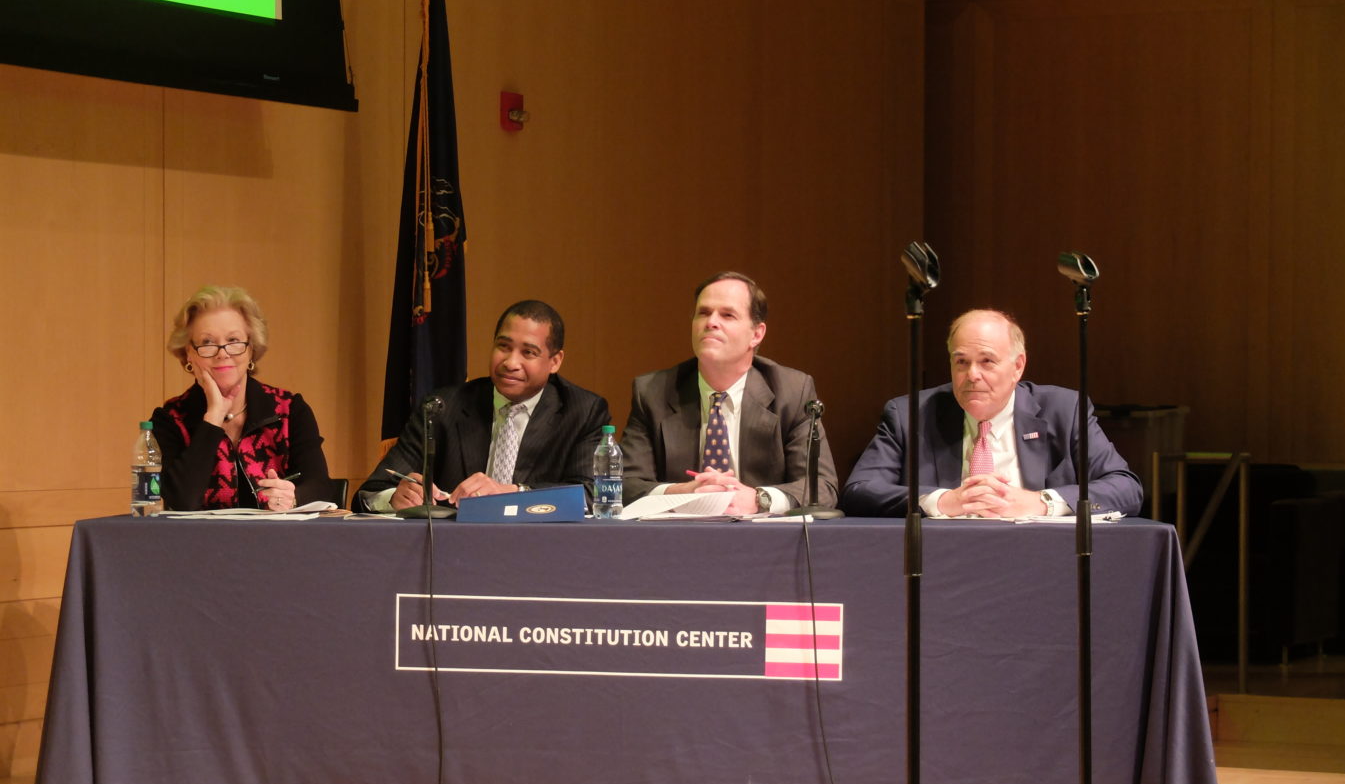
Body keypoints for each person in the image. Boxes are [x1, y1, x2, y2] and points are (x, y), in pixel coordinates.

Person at [840, 308, 1142, 518]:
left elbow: (1125, 488)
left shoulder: (1063, 410)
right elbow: (860, 490)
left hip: (1041, 559)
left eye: (987, 361)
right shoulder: (909, 414)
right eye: (961, 362)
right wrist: (942, 501)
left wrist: (1041, 502)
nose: (972, 375)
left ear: (1018, 366)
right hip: (942, 561)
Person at [356, 299, 611, 512]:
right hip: (453, 551)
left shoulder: (583, 411)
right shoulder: (443, 407)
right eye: (503, 346)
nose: (510, 362)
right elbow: (370, 492)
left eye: (528, 353)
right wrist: (393, 498)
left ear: (555, 361)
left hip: (541, 550)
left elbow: (593, 494)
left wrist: (513, 492)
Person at [621, 271, 838, 515]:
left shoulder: (792, 391)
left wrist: (758, 499)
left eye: (727, 315)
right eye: (703, 313)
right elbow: (625, 483)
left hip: (765, 543)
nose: (711, 322)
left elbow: (821, 487)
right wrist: (681, 493)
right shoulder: (653, 392)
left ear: (756, 334)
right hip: (677, 539)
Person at [152, 285, 333, 511]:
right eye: (207, 342)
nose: (223, 353)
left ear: (251, 348)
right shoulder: (171, 419)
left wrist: (293, 496)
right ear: (189, 353)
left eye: (234, 340)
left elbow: (322, 487)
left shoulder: (289, 410)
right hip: (199, 545)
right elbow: (181, 502)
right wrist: (214, 417)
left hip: (280, 543)